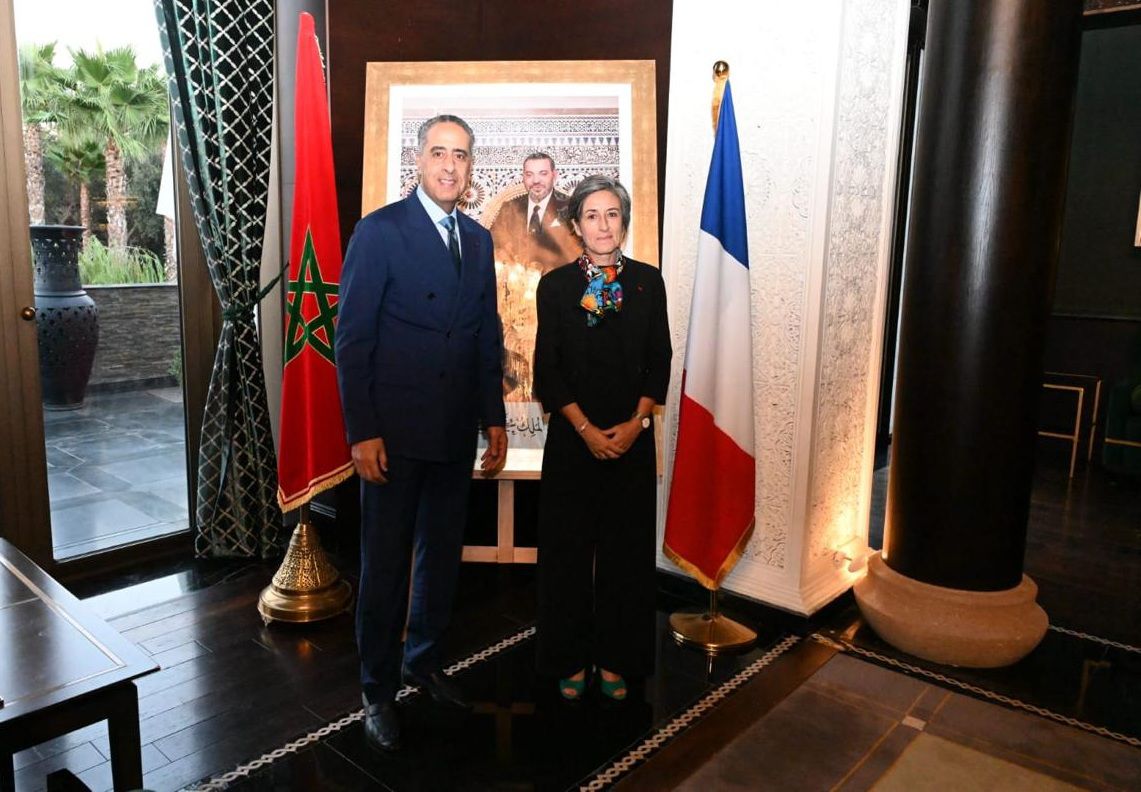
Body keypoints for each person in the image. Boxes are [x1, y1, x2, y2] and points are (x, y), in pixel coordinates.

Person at [335, 114, 508, 751]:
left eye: (460, 155)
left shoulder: (478, 240)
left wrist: (493, 417)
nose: (450, 166)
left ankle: (424, 661)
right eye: (439, 152)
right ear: (418, 160)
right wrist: (362, 432)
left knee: (441, 559)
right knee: (384, 567)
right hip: (393, 434)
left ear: (470, 166)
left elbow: (485, 335)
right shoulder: (379, 231)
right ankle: (376, 690)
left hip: (455, 430)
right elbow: (352, 340)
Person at [532, 174, 671, 702]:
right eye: (592, 215)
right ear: (576, 225)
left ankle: (617, 659)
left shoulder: (649, 283)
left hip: (632, 439)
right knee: (566, 555)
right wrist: (587, 430)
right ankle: (568, 658)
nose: (603, 225)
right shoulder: (555, 287)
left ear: (624, 222)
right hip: (573, 440)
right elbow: (548, 371)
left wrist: (636, 424)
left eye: (612, 214)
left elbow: (660, 359)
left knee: (626, 556)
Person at [489, 152, 581, 274]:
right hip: (517, 281)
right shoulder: (509, 207)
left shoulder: (571, 208)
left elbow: (579, 254)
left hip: (559, 280)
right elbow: (492, 246)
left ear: (554, 175)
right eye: (529, 174)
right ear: (523, 177)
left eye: (543, 173)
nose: (536, 180)